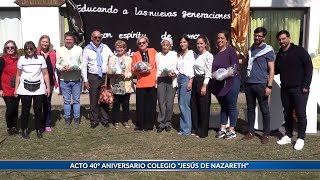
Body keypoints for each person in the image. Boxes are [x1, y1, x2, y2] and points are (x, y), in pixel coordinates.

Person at [275, 30, 313, 150]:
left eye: (283, 39)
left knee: (300, 114)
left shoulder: (299, 51)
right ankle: (288, 135)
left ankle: (301, 138)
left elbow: (309, 66)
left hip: (299, 89)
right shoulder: (280, 53)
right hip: (285, 89)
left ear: (289, 38)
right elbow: (276, 70)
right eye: (280, 39)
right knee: (287, 113)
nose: (282, 41)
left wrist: (306, 85)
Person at [242, 27, 275, 144]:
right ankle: (251, 131)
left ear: (263, 37)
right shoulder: (250, 49)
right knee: (250, 109)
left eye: (259, 36)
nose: (256, 38)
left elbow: (271, 70)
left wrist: (269, 86)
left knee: (264, 110)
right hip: (249, 84)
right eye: (255, 35)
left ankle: (266, 134)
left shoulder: (268, 51)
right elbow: (246, 63)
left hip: (261, 84)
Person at [14, 41, 50, 139]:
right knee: (25, 110)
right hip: (25, 88)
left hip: (39, 88)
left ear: (34, 48)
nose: (29, 50)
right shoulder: (21, 59)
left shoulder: (41, 58)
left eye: (31, 48)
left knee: (38, 110)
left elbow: (45, 74)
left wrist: (48, 87)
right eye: (26, 48)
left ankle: (38, 129)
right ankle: (24, 129)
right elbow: (18, 75)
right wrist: (16, 89)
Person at [211, 31, 241, 139]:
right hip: (220, 84)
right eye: (218, 38)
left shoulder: (230, 51)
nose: (220, 40)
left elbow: (235, 67)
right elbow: (213, 69)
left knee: (231, 106)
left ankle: (232, 130)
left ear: (226, 40)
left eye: (222, 38)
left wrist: (224, 73)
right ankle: (222, 128)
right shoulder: (216, 54)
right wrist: (215, 75)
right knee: (223, 106)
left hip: (232, 82)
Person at [82, 30, 114, 128]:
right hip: (93, 77)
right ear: (91, 38)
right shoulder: (87, 49)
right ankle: (94, 121)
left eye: (99, 37)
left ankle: (105, 120)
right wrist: (85, 80)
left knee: (104, 98)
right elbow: (84, 66)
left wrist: (111, 68)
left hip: (105, 77)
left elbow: (112, 57)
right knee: (94, 99)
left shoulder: (105, 48)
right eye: (95, 37)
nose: (97, 39)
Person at [56, 32, 83, 129]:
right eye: (67, 39)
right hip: (64, 80)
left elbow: (82, 64)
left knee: (76, 100)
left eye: (70, 39)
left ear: (73, 40)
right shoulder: (59, 50)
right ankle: (67, 119)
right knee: (66, 101)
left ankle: (76, 119)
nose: (68, 41)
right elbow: (57, 64)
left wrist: (75, 67)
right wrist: (62, 68)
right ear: (64, 40)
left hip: (76, 79)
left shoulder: (79, 49)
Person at [132, 36, 157, 131]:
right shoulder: (135, 54)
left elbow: (158, 64)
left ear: (147, 43)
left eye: (143, 42)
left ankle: (149, 125)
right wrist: (139, 71)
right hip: (141, 83)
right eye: (139, 43)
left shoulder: (153, 51)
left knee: (151, 105)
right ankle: (140, 125)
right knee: (140, 105)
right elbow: (133, 69)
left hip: (152, 82)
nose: (142, 44)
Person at [191, 35, 213, 138]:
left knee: (203, 108)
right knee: (195, 106)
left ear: (205, 44)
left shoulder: (208, 55)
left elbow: (208, 72)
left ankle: (202, 132)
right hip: (196, 80)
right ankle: (195, 129)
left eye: (201, 43)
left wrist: (204, 86)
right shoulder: (197, 55)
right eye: (198, 43)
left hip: (203, 81)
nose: (199, 45)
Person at [108, 40, 134, 129]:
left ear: (125, 48)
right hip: (115, 85)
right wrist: (112, 73)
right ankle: (116, 121)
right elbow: (109, 71)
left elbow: (132, 72)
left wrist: (125, 75)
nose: (119, 49)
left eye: (121, 47)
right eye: (118, 47)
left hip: (126, 84)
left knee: (125, 104)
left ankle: (125, 121)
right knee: (116, 104)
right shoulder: (112, 58)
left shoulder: (129, 59)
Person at [155, 37, 178, 133]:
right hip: (160, 80)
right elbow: (156, 68)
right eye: (163, 45)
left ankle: (168, 122)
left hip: (171, 80)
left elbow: (178, 67)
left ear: (170, 46)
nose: (165, 47)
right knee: (161, 102)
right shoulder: (157, 55)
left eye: (167, 45)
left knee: (169, 103)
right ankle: (161, 123)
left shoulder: (174, 54)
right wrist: (161, 72)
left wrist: (174, 72)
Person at [37, 35, 58, 132]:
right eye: (43, 42)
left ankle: (47, 123)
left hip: (49, 82)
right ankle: (40, 124)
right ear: (40, 42)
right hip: (37, 82)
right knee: (38, 104)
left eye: (46, 42)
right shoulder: (35, 53)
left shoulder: (53, 53)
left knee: (47, 103)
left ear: (49, 43)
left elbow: (57, 65)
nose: (45, 44)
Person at [0, 40, 20, 135]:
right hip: (6, 88)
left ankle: (15, 126)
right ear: (5, 49)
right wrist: (0, 89)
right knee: (10, 108)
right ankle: (9, 126)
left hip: (17, 87)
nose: (10, 49)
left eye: (12, 47)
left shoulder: (19, 59)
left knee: (15, 107)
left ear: (15, 48)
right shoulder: (2, 59)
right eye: (8, 47)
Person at [176, 35, 195, 136]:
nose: (182, 44)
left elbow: (193, 69)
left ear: (188, 43)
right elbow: (178, 69)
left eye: (184, 42)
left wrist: (190, 81)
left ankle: (186, 130)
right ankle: (184, 128)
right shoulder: (179, 55)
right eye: (181, 42)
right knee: (181, 104)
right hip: (179, 79)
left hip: (186, 79)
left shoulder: (191, 54)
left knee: (185, 105)